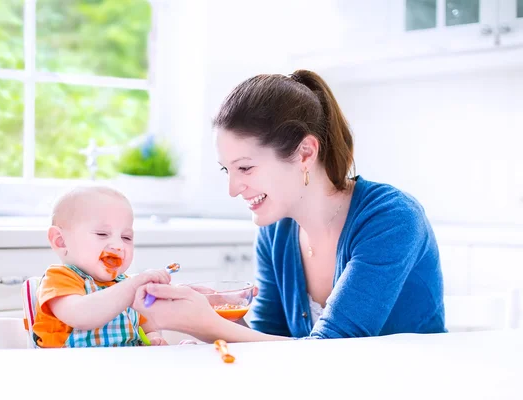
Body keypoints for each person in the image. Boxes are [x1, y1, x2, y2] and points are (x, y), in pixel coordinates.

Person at [131, 69, 446, 343]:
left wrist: (207, 325)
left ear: (306, 153)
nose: (232, 189)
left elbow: (335, 351)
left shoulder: (391, 219)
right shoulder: (276, 231)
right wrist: (216, 314)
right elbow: (272, 343)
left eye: (245, 168)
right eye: (227, 170)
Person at [32, 185, 171, 348]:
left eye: (126, 237)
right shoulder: (59, 279)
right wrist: (131, 286)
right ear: (61, 241)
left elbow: (148, 328)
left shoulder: (125, 285)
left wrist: (154, 338)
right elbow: (81, 315)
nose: (118, 246)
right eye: (102, 234)